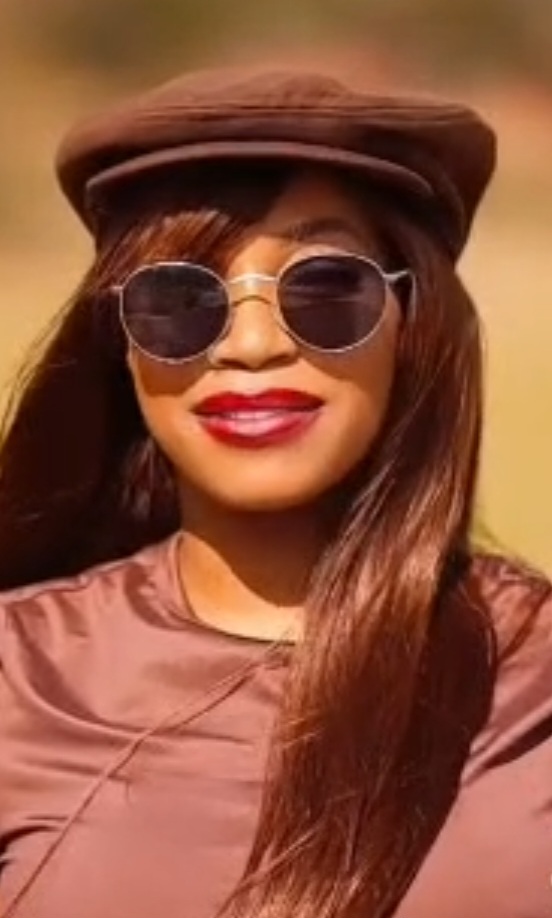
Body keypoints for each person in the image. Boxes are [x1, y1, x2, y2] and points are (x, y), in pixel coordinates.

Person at [0, 66, 549, 918]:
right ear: (121, 346)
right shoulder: (18, 675)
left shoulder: (534, 680)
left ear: (414, 321)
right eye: (179, 297)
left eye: (325, 287)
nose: (252, 345)